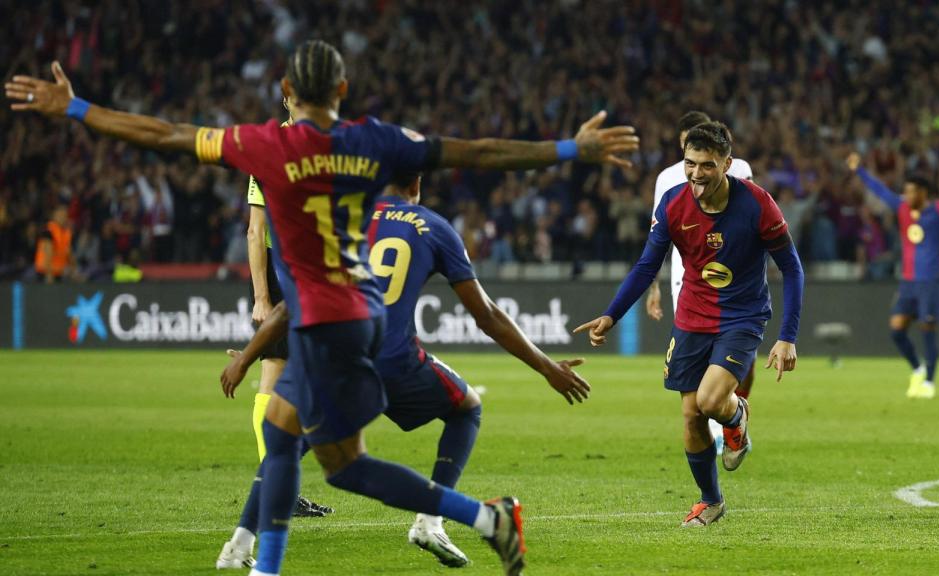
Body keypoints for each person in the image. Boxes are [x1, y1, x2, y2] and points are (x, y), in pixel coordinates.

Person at [6, 41, 637, 576]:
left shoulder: (260, 145)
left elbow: (163, 134)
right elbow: (476, 151)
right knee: (280, 436)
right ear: (341, 86)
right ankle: (263, 566)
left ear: (285, 88)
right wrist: (566, 150)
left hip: (325, 321)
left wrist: (78, 108)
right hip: (346, 316)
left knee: (342, 465)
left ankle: (484, 517)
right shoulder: (376, 142)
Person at [219, 172, 590, 569]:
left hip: (321, 356)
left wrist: (246, 358)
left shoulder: (343, 222)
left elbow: (292, 304)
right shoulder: (432, 226)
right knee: (464, 408)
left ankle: (242, 546)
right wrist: (547, 367)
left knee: (287, 444)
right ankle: (440, 520)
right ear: (416, 182)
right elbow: (487, 314)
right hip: (389, 360)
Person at [575, 122, 804, 527]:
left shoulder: (757, 204)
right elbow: (648, 265)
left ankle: (735, 417)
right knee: (690, 415)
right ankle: (711, 501)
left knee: (710, 402)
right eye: (690, 163)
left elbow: (792, 267)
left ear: (727, 164)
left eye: (707, 166)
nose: (697, 174)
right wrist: (612, 314)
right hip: (691, 316)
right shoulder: (672, 203)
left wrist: (787, 337)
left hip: (742, 316)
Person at [645, 111, 755, 454]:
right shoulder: (667, 179)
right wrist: (654, 286)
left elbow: (753, 219)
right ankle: (720, 429)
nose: (693, 168)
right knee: (696, 387)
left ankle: (733, 412)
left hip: (736, 282)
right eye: (685, 151)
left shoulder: (740, 172)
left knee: (737, 366)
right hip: (687, 279)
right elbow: (656, 235)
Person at [244, 100, 332, 518]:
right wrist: (262, 296)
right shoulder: (269, 149)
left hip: (317, 275)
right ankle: (278, 486)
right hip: (280, 275)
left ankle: (278, 483)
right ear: (286, 100)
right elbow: (256, 229)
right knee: (274, 375)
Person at [847, 153, 939, 399]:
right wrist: (859, 170)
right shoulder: (902, 208)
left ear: (924, 192)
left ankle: (929, 382)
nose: (907, 196)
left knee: (927, 329)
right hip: (908, 282)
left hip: (930, 283)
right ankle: (917, 367)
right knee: (896, 330)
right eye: (906, 191)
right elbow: (880, 190)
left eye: (912, 191)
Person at [35, 204, 75, 283]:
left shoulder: (66, 232)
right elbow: (47, 252)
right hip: (45, 272)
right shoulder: (48, 231)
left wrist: (75, 269)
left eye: (64, 215)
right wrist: (49, 274)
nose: (63, 217)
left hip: (58, 272)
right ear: (54, 215)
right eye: (60, 214)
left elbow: (69, 252)